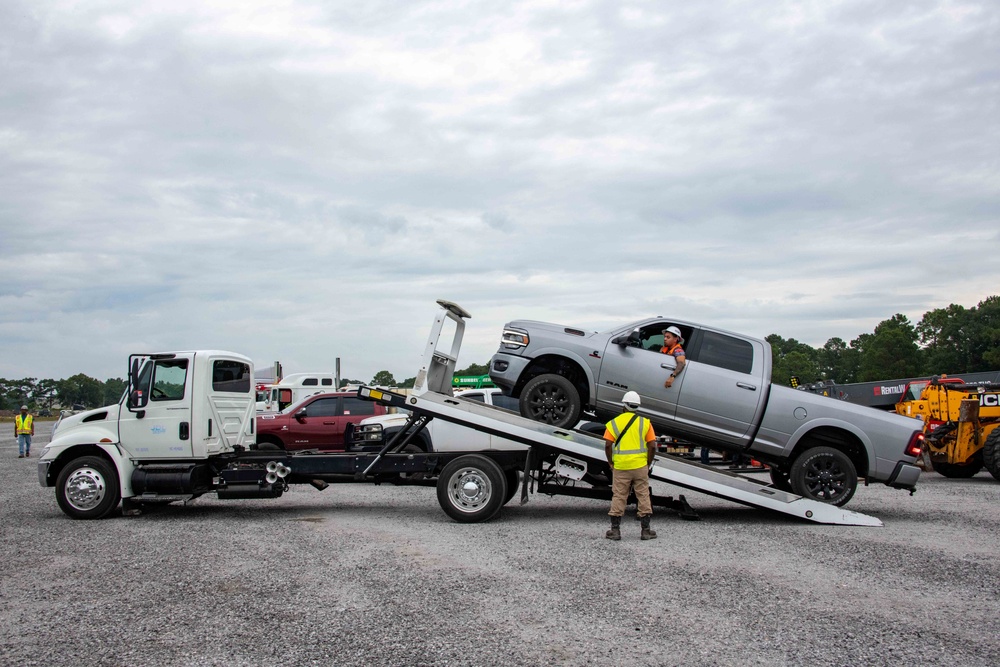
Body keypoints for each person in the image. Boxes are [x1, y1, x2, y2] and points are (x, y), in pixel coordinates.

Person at [604, 391, 657, 541]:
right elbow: (652, 446)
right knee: (643, 495)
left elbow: (608, 444)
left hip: (621, 466)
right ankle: (645, 531)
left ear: (624, 405)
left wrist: (610, 461)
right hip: (640, 466)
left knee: (619, 495)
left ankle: (615, 531)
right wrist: (647, 462)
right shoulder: (645, 423)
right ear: (637, 406)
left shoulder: (614, 423)